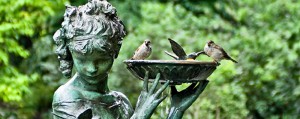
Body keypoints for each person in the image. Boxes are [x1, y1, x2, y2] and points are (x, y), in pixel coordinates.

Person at [52, 0, 208, 119]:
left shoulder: (121, 102)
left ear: (115, 52)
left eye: (101, 60)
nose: (92, 68)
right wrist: (140, 116)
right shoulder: (66, 98)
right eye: (83, 60)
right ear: (71, 54)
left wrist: (176, 111)